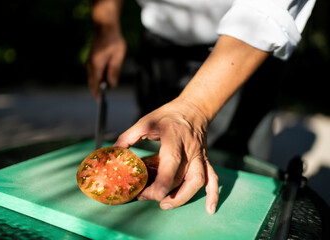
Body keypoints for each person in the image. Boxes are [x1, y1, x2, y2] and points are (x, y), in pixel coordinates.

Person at [85, 0, 316, 214]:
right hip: (158, 47)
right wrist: (106, 26)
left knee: (240, 186)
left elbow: (266, 9)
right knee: (162, 168)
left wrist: (193, 110)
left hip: (245, 51)